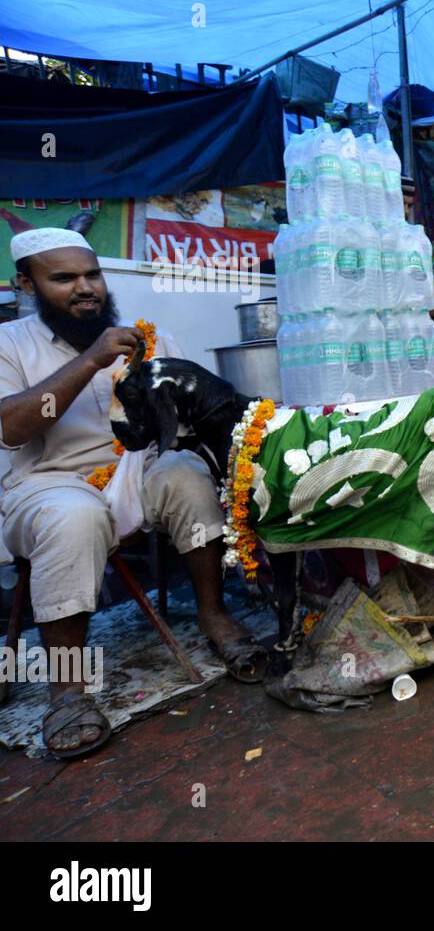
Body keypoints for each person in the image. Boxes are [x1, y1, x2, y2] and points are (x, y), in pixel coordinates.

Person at [0, 228, 268, 758]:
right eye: (64, 279)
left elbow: (194, 414)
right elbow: (12, 428)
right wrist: (92, 361)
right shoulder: (9, 345)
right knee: (71, 517)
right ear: (26, 284)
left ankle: (213, 617)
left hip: (139, 470)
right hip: (48, 481)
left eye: (92, 275)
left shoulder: (149, 339)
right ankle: (68, 691)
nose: (86, 288)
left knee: (187, 474)